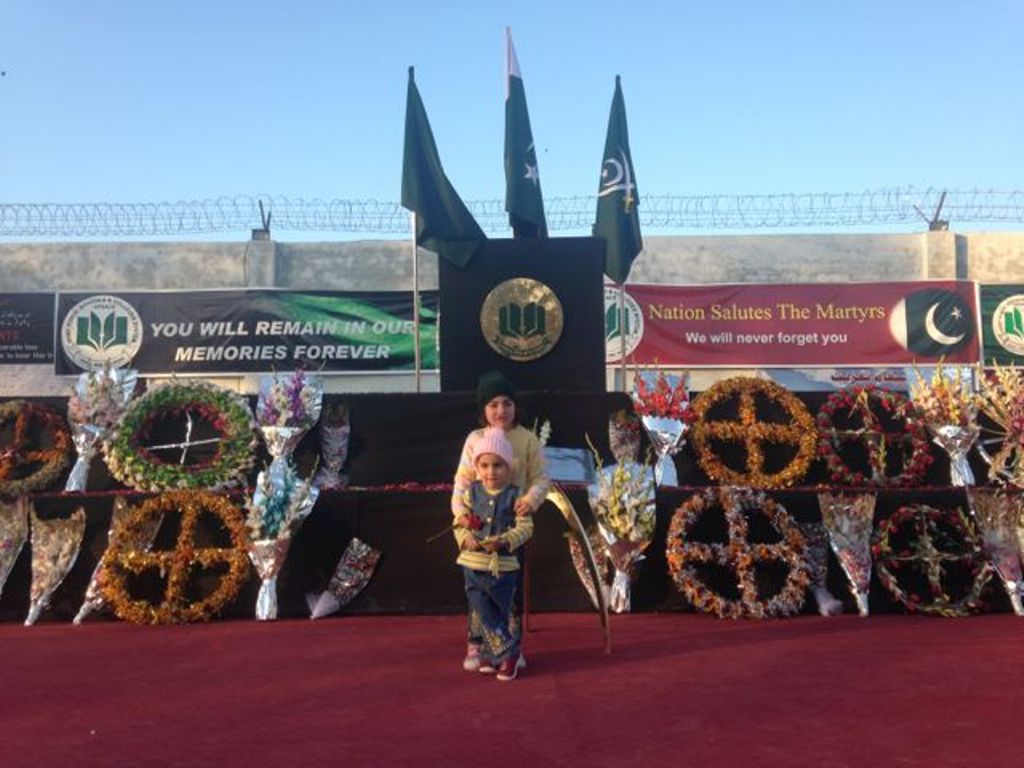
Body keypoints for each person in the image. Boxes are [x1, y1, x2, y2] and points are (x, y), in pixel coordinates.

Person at [451, 371, 550, 672]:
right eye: (493, 404)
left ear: (515, 406)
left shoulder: (527, 439)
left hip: (511, 526)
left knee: (510, 590)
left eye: (507, 403)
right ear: (483, 409)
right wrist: (462, 523)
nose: (500, 411)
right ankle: (477, 646)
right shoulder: (474, 439)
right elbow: (461, 484)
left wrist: (531, 499)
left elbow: (542, 479)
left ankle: (511, 647)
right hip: (479, 527)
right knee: (478, 589)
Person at [453, 428, 532, 681]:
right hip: (473, 563)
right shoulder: (471, 493)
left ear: (508, 468)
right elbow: (459, 522)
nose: (490, 472)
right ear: (477, 467)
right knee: (479, 606)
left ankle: (497, 653)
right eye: (484, 465)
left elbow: (526, 527)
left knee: (499, 608)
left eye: (498, 465)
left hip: (503, 566)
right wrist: (464, 538)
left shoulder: (516, 496)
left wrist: (506, 540)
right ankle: (506, 653)